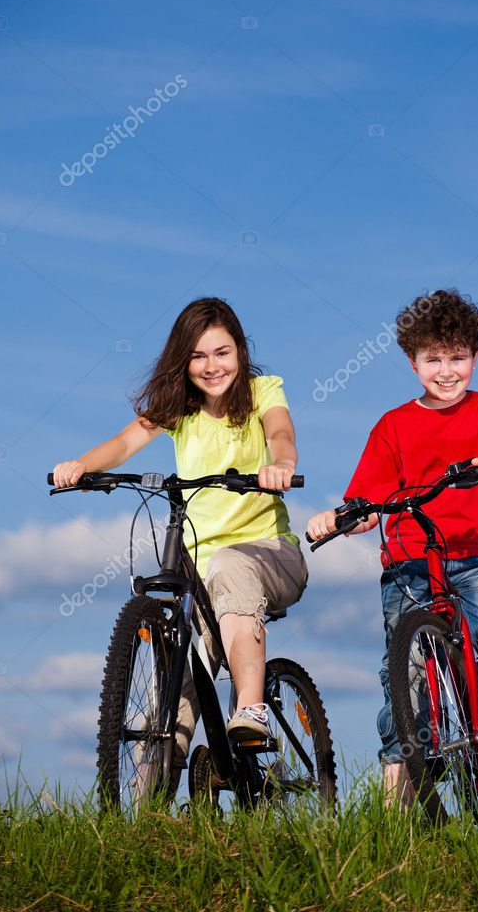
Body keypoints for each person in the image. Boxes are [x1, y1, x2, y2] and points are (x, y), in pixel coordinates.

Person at [307, 288, 478, 806]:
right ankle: (396, 800)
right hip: (410, 563)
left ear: (476, 357)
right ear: (412, 362)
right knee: (405, 673)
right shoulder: (393, 426)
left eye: (458, 358)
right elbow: (368, 502)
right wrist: (340, 517)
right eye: (434, 359)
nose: (447, 371)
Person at [53, 297, 308, 764]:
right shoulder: (180, 409)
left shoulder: (262, 391)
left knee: (231, 565)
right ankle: (148, 806)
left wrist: (282, 465)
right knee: (178, 676)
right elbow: (126, 441)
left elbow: (280, 433)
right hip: (200, 568)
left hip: (270, 553)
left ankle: (251, 708)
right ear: (183, 360)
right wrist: (82, 468)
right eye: (198, 356)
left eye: (222, 352)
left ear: (240, 351)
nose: (212, 367)